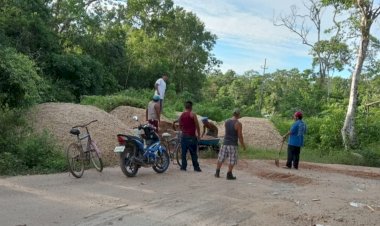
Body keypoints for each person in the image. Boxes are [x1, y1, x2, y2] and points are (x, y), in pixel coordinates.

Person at [215, 109, 246, 180]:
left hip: (225, 143)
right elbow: (240, 136)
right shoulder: (238, 123)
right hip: (232, 144)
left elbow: (227, 132)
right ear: (239, 115)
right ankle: (229, 174)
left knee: (221, 158)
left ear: (233, 114)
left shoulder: (227, 122)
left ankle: (217, 172)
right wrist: (243, 145)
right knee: (232, 160)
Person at [178, 101, 202, 172]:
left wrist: (183, 130)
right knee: (193, 153)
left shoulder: (182, 115)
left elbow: (180, 124)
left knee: (183, 153)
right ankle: (196, 168)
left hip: (184, 136)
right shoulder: (193, 114)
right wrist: (199, 135)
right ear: (191, 107)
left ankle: (183, 167)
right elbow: (197, 125)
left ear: (185, 107)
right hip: (191, 136)